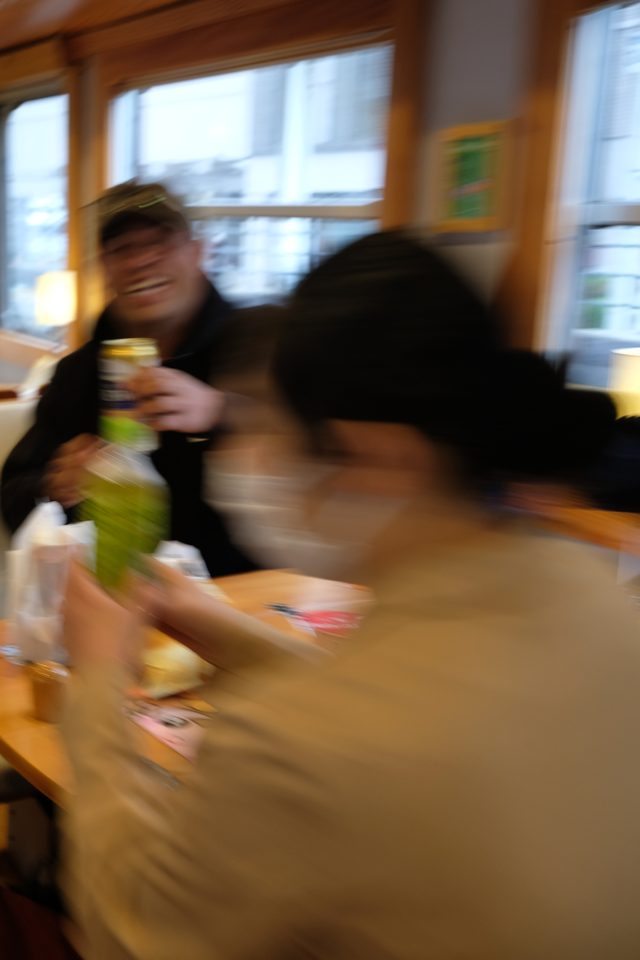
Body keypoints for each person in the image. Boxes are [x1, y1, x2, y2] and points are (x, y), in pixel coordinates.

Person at [60, 233, 639, 959]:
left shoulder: (286, 746)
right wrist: (209, 621)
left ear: (379, 457)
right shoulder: (592, 595)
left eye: (265, 426)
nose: (241, 455)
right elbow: (402, 703)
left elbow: (131, 930)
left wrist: (97, 678)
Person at [0, 181, 256, 577]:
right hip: (116, 598)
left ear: (197, 251)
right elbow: (12, 497)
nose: (141, 261)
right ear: (105, 268)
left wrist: (222, 411)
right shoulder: (79, 374)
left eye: (160, 243)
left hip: (242, 595)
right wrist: (54, 487)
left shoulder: (256, 345)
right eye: (122, 249)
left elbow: (317, 464)